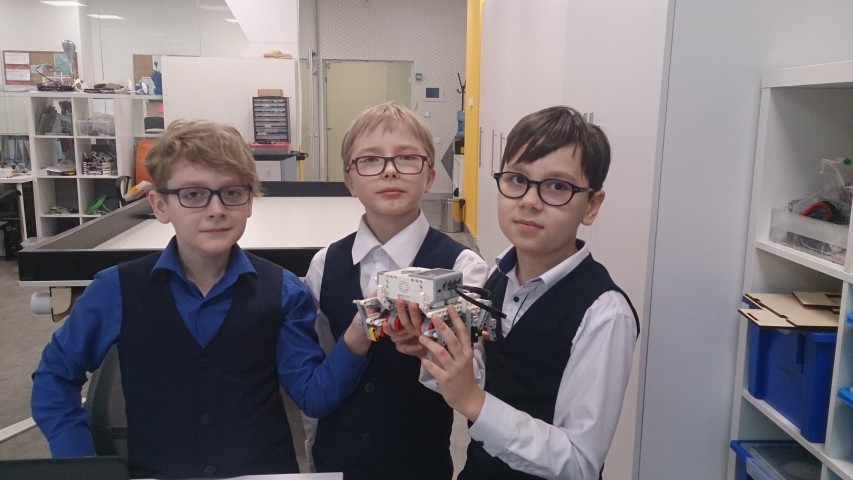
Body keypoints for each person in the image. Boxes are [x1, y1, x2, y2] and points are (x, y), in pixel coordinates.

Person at [31, 120, 372, 479]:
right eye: (193, 195)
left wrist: (357, 335)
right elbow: (54, 377)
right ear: (160, 205)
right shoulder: (115, 289)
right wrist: (81, 464)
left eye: (232, 192)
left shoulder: (284, 291)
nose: (216, 209)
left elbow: (312, 397)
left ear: (249, 202)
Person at [399, 105, 640, 479]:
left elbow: (579, 461)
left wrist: (474, 402)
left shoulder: (604, 314)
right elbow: (486, 375)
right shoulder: (497, 277)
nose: (529, 200)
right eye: (516, 179)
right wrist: (436, 352)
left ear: (591, 205)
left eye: (557, 187)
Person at [302, 101, 489, 480]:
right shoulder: (324, 265)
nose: (390, 170)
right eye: (370, 160)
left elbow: (477, 377)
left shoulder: (463, 267)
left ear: (430, 176)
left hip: (419, 466)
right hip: (336, 461)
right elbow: (319, 369)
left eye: (406, 158)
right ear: (350, 180)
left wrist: (433, 353)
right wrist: (313, 460)